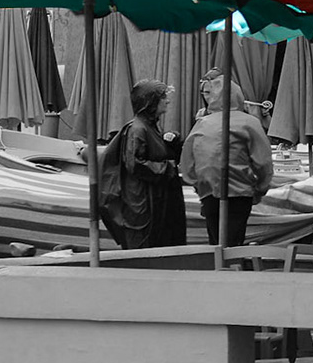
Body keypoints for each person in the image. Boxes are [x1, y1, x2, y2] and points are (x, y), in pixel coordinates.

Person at [179, 71, 274, 247]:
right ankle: (233, 270)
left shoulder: (202, 124)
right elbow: (263, 163)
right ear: (239, 96)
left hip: (209, 194)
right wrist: (260, 189)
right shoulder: (250, 123)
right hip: (240, 193)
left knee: (215, 243)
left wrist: (200, 187)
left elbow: (186, 164)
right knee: (234, 243)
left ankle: (219, 271)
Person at [101, 79, 185, 250]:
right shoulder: (138, 130)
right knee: (144, 248)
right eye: (163, 97)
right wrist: (168, 168)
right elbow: (135, 164)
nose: (167, 101)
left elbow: (153, 153)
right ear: (151, 102)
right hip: (143, 205)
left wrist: (173, 143)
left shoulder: (150, 127)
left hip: (153, 201)